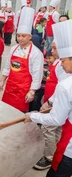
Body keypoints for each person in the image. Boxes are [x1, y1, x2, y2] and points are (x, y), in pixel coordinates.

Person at [25, 19, 72, 177]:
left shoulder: (66, 85)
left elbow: (57, 119)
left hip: (69, 149)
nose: (62, 63)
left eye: (65, 60)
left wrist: (33, 115)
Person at [0, 7, 44, 112]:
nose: (20, 38)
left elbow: (37, 75)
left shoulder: (36, 53)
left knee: (19, 115)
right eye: (18, 36)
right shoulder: (14, 49)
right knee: (5, 111)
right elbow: (7, 66)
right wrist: (2, 81)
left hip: (23, 90)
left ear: (30, 36)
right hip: (10, 88)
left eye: (23, 36)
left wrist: (32, 91)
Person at [34, 41, 71, 170]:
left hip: (57, 103)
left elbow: (62, 88)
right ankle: (54, 153)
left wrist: (49, 103)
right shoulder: (58, 63)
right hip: (54, 100)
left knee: (48, 128)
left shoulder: (64, 68)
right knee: (56, 130)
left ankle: (49, 157)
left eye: (55, 48)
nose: (52, 51)